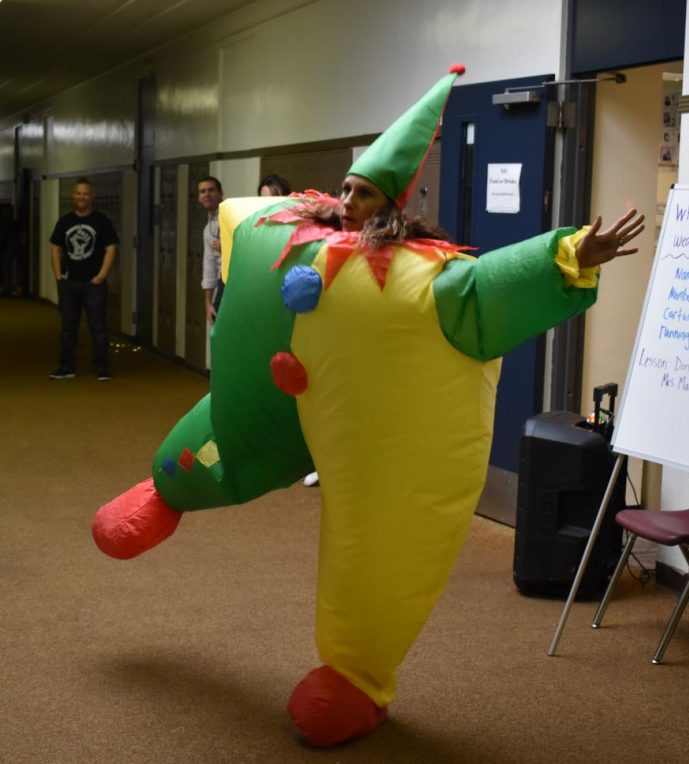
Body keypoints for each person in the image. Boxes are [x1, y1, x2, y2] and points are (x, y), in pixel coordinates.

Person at [92, 65, 644, 748]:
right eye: (346, 188)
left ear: (390, 206)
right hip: (271, 401)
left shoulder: (423, 283)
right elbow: (240, 215)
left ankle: (355, 676)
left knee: (375, 546)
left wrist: (568, 257)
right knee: (216, 442)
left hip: (370, 433)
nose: (348, 201)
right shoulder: (287, 229)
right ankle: (167, 488)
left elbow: (490, 288)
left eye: (363, 193)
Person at [49, 178, 118, 380]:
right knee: (68, 327)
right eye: (79, 193)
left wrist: (101, 276)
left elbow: (111, 248)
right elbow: (55, 248)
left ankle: (102, 368)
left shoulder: (101, 221)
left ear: (91, 196)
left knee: (98, 326)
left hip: (93, 284)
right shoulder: (65, 222)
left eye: (86, 193)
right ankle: (67, 367)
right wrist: (57, 275)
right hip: (69, 283)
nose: (82, 197)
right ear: (73, 195)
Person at [197, 176, 224, 324]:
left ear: (220, 193)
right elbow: (209, 267)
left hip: (235, 281)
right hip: (222, 282)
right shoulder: (208, 229)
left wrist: (226, 247)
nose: (206, 194)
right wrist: (208, 303)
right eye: (202, 191)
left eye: (211, 190)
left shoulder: (232, 217)